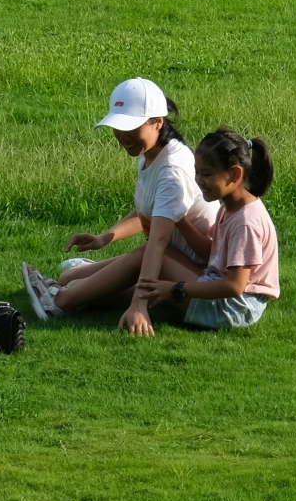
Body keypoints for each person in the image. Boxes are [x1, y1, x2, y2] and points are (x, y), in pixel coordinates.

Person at [21, 78, 217, 337]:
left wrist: (139, 304)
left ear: (158, 122)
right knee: (71, 279)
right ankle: (74, 285)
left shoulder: (172, 170)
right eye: (118, 126)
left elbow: (157, 242)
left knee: (134, 258)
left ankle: (58, 303)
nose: (123, 136)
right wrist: (105, 238)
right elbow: (147, 211)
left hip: (198, 279)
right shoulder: (150, 156)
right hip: (170, 265)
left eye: (131, 127)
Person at [135, 128, 278, 331]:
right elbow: (213, 254)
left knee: (152, 257)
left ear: (235, 174)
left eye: (207, 174)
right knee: (146, 272)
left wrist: (176, 289)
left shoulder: (246, 221)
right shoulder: (230, 208)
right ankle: (82, 287)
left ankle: (76, 291)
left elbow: (235, 286)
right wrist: (180, 220)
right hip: (222, 292)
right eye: (197, 172)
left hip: (233, 308)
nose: (199, 180)